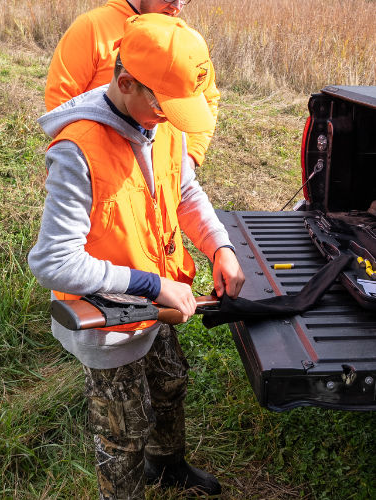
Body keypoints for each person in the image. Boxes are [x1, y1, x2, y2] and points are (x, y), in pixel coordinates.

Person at [29, 13, 245, 498]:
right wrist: (152, 285)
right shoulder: (77, 150)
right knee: (123, 430)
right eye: (166, 105)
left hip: (157, 297)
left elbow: (186, 191)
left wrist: (220, 246)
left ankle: (167, 466)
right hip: (108, 317)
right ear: (127, 83)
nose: (172, 116)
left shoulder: (163, 121)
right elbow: (52, 262)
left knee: (169, 386)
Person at [44, 0, 220, 170]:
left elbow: (207, 98)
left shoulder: (182, 39)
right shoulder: (92, 27)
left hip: (162, 180)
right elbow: (61, 101)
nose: (177, 6)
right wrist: (77, 163)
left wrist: (191, 155)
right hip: (102, 173)